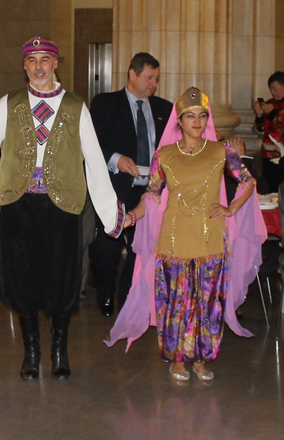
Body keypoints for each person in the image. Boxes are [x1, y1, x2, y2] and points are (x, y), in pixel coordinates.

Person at [0, 37, 125, 381]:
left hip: (63, 208)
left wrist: (109, 213)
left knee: (61, 279)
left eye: (46, 59)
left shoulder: (75, 107)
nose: (39, 66)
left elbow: (96, 163)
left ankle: (59, 349)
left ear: (56, 64)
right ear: (24, 65)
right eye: (33, 60)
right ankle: (31, 351)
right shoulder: (8, 105)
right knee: (23, 278)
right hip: (19, 204)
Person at [105, 87, 266, 381]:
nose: (197, 121)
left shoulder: (221, 151)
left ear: (207, 120)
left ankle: (202, 358)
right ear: (179, 120)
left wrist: (230, 209)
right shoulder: (164, 155)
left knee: (207, 301)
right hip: (173, 239)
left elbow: (248, 181)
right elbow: (151, 196)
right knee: (175, 302)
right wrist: (130, 217)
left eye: (202, 115)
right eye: (190, 115)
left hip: (211, 239)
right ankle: (178, 358)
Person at [89, 53, 173, 317]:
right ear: (132, 74)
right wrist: (117, 159)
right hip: (117, 188)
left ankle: (127, 297)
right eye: (149, 77)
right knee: (107, 247)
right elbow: (93, 143)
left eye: (156, 78)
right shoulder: (105, 103)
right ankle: (104, 291)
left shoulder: (164, 109)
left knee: (142, 246)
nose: (153, 84)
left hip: (151, 189)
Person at [254, 71, 284, 192]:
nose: (272, 92)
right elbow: (260, 128)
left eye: (275, 88)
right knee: (268, 187)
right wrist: (259, 115)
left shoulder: (273, 107)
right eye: (271, 89)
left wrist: (272, 112)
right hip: (267, 153)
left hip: (281, 154)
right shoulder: (270, 103)